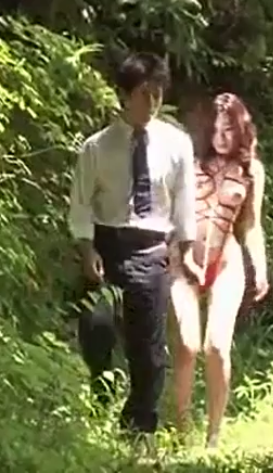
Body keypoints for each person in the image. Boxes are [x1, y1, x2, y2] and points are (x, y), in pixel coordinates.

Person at [69, 52, 201, 450]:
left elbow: (185, 202)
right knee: (96, 328)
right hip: (108, 245)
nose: (152, 101)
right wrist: (87, 248)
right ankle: (101, 395)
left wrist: (185, 250)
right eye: (144, 93)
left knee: (148, 349)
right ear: (124, 95)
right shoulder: (97, 147)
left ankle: (139, 429)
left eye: (158, 93)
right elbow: (81, 204)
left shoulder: (176, 144)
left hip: (151, 248)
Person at [169, 92, 269, 449]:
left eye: (228, 129)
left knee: (216, 347)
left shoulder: (251, 171)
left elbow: (251, 224)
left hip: (226, 261)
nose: (221, 137)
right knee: (187, 344)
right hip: (183, 260)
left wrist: (260, 266)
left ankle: (213, 437)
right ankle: (180, 431)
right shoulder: (190, 160)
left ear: (240, 129)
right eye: (215, 129)